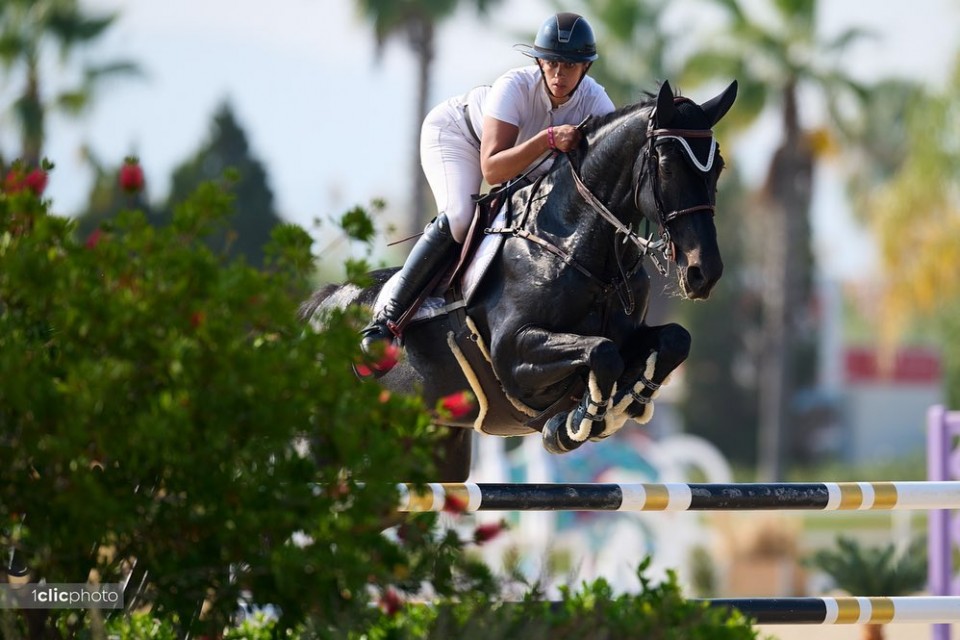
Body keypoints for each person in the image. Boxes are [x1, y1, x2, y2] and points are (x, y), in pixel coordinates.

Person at [359, 12, 616, 376]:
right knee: (461, 217)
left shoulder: (596, 101)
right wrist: (547, 139)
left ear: (586, 68)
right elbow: (493, 169)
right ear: (540, 61)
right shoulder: (516, 85)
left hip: (526, 165)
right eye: (552, 63)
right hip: (459, 136)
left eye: (570, 66)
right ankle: (385, 324)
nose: (559, 75)